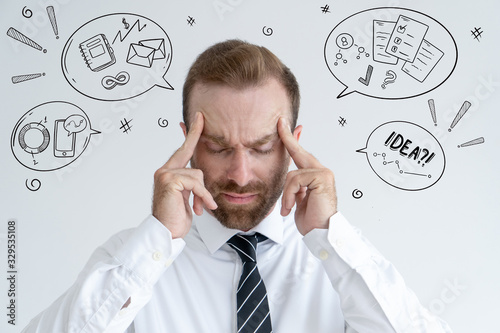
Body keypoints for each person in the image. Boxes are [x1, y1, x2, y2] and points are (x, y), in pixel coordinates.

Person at [23, 39, 452, 332]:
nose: (241, 174)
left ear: (293, 146)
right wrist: (159, 238)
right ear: (188, 143)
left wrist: (331, 235)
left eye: (262, 147)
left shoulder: (336, 262)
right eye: (217, 146)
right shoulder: (132, 259)